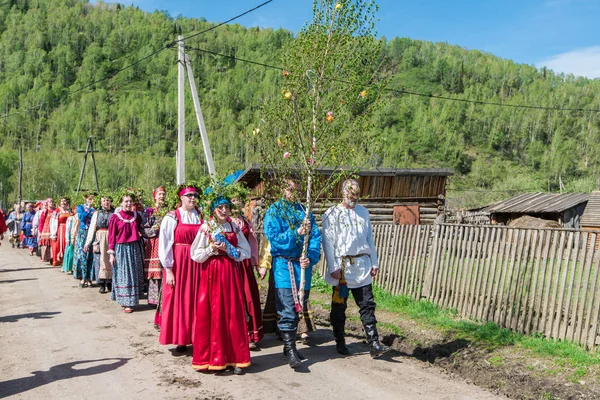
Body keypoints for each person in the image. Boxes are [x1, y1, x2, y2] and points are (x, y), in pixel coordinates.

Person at [322, 179, 391, 358]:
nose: (354, 197)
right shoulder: (332, 213)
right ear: (343, 192)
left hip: (362, 267)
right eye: (351, 193)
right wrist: (333, 266)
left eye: (357, 194)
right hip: (343, 270)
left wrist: (374, 263)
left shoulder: (363, 212)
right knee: (339, 307)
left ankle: (374, 343)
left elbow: (369, 239)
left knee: (367, 305)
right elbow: (328, 243)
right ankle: (340, 341)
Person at [263, 178, 321, 369]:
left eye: (295, 190)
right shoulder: (274, 211)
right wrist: (296, 232)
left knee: (300, 306)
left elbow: (314, 238)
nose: (292, 193)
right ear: (282, 190)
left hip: (302, 267)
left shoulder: (305, 212)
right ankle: (291, 350)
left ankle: (289, 346)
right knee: (287, 306)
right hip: (284, 264)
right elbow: (275, 239)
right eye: (289, 189)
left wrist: (310, 257)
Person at [190, 196, 251, 374]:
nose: (224, 211)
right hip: (212, 274)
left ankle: (236, 359)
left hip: (231, 272)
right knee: (213, 313)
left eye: (226, 207)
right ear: (213, 210)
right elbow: (195, 254)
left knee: (233, 314)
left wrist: (231, 251)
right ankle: (213, 358)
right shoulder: (206, 227)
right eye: (220, 208)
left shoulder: (234, 227)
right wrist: (212, 249)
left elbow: (245, 251)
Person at [157, 185, 202, 350]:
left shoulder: (201, 216)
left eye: (194, 196)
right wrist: (168, 269)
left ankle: (197, 336)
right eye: (189, 196)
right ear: (181, 198)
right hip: (180, 263)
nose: (192, 198)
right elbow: (165, 244)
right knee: (180, 299)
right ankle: (181, 337)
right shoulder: (172, 217)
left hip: (198, 263)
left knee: (198, 298)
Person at [231, 198, 264, 350]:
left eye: (239, 200)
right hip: (228, 263)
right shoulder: (221, 220)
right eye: (233, 200)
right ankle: (231, 334)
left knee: (247, 297)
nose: (236, 203)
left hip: (244, 263)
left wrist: (256, 263)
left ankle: (250, 334)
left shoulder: (244, 220)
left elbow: (252, 242)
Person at [107, 194, 144, 313]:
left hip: (134, 248)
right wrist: (111, 253)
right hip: (121, 249)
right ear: (121, 203)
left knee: (133, 274)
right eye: (126, 201)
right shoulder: (115, 217)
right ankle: (125, 302)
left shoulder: (136, 216)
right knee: (124, 275)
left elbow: (141, 229)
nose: (128, 204)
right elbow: (111, 236)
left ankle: (132, 300)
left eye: (130, 201)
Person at [142, 187, 167, 305]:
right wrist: (155, 228)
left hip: (166, 242)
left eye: (163, 194)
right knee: (155, 272)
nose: (162, 196)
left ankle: (165, 298)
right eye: (160, 194)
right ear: (155, 196)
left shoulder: (168, 210)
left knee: (165, 270)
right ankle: (154, 299)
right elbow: (143, 229)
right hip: (154, 242)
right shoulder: (150, 211)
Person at [85, 195, 114, 293]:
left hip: (110, 236)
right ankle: (101, 283)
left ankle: (110, 282)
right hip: (99, 237)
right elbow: (92, 228)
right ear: (101, 203)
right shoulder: (97, 213)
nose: (106, 202)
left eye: (107, 200)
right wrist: (88, 242)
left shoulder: (114, 213)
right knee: (99, 260)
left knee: (110, 260)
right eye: (104, 201)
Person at [74, 194, 95, 286]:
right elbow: (81, 217)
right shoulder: (81, 207)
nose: (91, 201)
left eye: (92, 199)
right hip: (83, 232)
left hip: (93, 232)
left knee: (91, 255)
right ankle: (82, 277)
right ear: (86, 199)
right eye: (89, 199)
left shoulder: (97, 209)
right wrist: (89, 208)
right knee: (82, 255)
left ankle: (90, 277)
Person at [50, 197, 72, 267]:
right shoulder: (57, 211)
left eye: (64, 201)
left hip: (68, 229)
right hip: (60, 229)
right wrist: (53, 234)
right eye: (62, 201)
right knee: (58, 244)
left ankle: (65, 261)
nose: (63, 202)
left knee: (66, 244)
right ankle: (58, 260)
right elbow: (53, 222)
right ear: (60, 202)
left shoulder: (69, 211)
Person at [61, 206, 79, 274]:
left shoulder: (78, 218)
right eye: (75, 210)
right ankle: (68, 267)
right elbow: (68, 229)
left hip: (77, 236)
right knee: (70, 252)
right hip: (71, 236)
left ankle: (74, 268)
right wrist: (67, 238)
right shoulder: (70, 218)